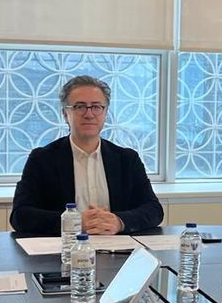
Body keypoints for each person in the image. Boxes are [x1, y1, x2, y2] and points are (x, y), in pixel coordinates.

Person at [9, 75, 163, 235]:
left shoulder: (127, 159)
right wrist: (74, 222)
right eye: (80, 107)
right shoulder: (42, 159)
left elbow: (154, 209)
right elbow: (20, 215)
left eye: (96, 107)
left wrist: (119, 222)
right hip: (63, 247)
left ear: (105, 112)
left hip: (116, 246)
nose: (89, 114)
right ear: (65, 113)